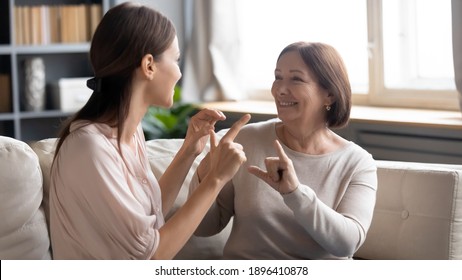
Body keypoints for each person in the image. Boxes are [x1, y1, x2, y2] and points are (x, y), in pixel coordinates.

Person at [49, 2, 250, 260]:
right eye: (176, 59)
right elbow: (153, 256)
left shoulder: (130, 133)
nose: (179, 72)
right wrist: (216, 179)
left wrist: (189, 150)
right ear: (149, 66)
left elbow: (149, 218)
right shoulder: (90, 148)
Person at [190, 42, 378, 259]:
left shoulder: (357, 162)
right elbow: (205, 228)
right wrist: (207, 173)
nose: (279, 89)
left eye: (296, 79)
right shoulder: (247, 140)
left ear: (329, 95)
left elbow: (347, 244)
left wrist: (295, 193)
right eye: (278, 77)